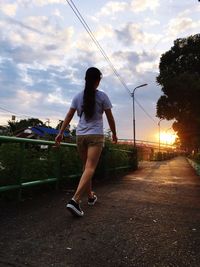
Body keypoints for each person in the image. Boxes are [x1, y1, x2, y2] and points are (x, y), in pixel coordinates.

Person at [55, 67, 117, 217]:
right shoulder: (102, 96)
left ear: (86, 80)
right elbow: (109, 117)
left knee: (86, 168)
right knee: (90, 167)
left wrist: (60, 133)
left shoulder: (78, 97)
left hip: (80, 136)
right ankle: (75, 200)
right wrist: (114, 134)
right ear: (97, 81)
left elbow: (69, 116)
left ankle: (90, 196)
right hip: (95, 135)